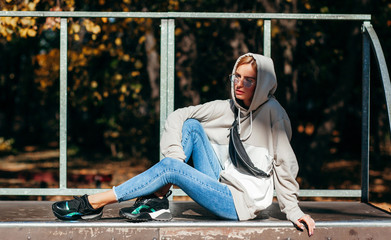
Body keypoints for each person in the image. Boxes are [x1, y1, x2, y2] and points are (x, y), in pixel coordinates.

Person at [52, 53, 315, 236]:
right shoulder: (229, 108)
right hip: (223, 183)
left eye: (249, 79)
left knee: (170, 167)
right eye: (237, 76)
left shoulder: (273, 113)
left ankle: (94, 203)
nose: (240, 84)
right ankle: (157, 199)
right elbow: (179, 115)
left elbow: (285, 164)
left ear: (263, 84)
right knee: (191, 126)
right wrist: (176, 157)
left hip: (241, 204)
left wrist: (292, 210)